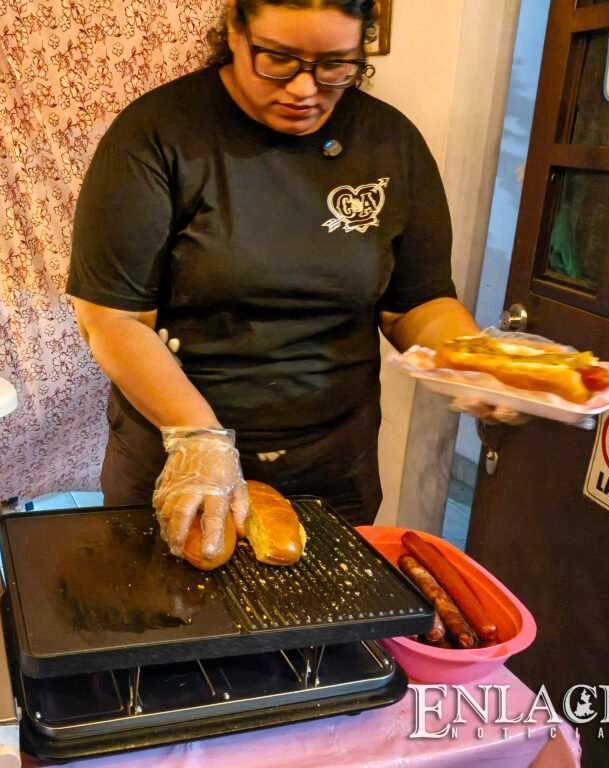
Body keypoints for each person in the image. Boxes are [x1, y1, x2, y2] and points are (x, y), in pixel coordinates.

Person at [66, 0, 480, 561]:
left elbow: (417, 303)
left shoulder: (390, 142)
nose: (305, 89)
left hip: (333, 463)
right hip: (181, 457)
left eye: (335, 65)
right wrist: (199, 438)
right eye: (279, 59)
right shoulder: (158, 134)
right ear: (236, 31)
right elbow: (111, 319)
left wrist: (476, 367)